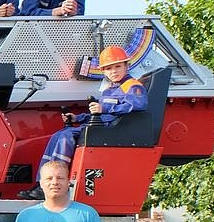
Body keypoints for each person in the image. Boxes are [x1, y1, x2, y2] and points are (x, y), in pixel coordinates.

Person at [20, 45, 146, 199]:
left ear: (127, 65)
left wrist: (105, 108)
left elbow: (137, 105)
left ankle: (56, 183)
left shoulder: (132, 86)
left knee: (66, 137)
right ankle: (43, 183)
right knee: (57, 136)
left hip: (112, 130)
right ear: (103, 71)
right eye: (108, 68)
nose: (113, 71)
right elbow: (99, 114)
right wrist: (77, 118)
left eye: (118, 66)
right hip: (102, 126)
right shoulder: (110, 90)